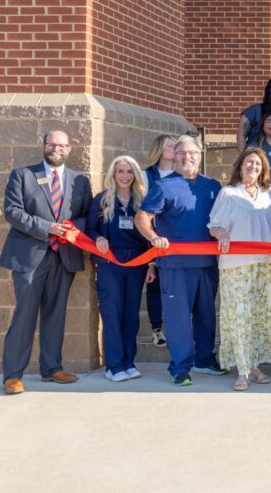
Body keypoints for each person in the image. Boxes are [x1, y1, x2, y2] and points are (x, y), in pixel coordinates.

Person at [0, 130, 93, 395]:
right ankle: (13, 375)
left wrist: (72, 227)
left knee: (56, 314)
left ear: (69, 149)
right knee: (25, 315)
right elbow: (12, 211)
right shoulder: (22, 175)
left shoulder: (80, 181)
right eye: (51, 143)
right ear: (44, 146)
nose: (56, 148)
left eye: (61, 145)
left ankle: (52, 368)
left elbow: (88, 216)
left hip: (63, 257)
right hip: (29, 257)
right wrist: (48, 227)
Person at [135, 135, 225, 387]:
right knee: (178, 319)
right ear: (174, 156)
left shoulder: (213, 186)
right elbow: (142, 218)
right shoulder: (164, 186)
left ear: (200, 155)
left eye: (192, 153)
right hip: (175, 265)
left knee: (207, 316)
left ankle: (204, 360)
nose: (187, 157)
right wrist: (153, 238)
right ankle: (180, 367)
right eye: (182, 153)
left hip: (208, 264)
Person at [207, 148, 271, 391]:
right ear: (240, 166)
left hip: (267, 265)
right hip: (236, 266)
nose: (253, 167)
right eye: (249, 162)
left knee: (260, 317)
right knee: (240, 316)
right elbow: (214, 224)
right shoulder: (228, 193)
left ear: (264, 168)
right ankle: (242, 371)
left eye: (258, 163)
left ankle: (254, 366)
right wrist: (221, 232)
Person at [86, 156, 150, 382]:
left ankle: (128, 362)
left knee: (130, 314)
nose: (124, 176)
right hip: (109, 263)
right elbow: (89, 229)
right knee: (112, 313)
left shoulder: (142, 200)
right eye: (120, 171)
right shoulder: (101, 200)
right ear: (113, 174)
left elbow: (149, 235)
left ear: (135, 175)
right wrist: (99, 237)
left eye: (129, 171)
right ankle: (113, 366)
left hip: (136, 263)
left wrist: (151, 262)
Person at [143, 133, 177, 348]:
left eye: (176, 144)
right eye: (169, 145)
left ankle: (177, 325)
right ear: (159, 149)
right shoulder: (147, 175)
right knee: (154, 282)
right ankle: (157, 328)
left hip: (176, 236)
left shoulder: (183, 173)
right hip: (152, 234)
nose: (173, 148)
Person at [237, 76, 271, 151]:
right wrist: (243, 156)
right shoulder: (254, 111)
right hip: (256, 157)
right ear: (269, 90)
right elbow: (241, 136)